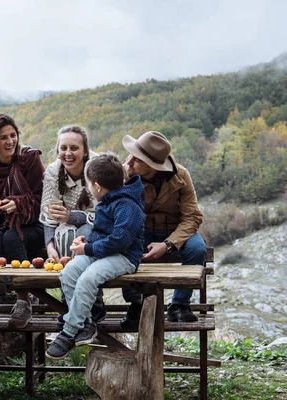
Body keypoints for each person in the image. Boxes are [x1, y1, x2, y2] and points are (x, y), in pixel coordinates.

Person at [46, 153, 145, 359]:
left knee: (89, 278)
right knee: (70, 272)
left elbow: (120, 241)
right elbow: (101, 233)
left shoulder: (127, 205)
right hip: (102, 251)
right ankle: (87, 323)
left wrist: (89, 249)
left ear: (98, 186)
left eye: (89, 184)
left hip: (124, 257)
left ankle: (70, 330)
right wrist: (87, 242)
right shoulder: (107, 200)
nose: (89, 189)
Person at [120, 131, 206, 329]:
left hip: (173, 233)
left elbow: (192, 216)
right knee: (123, 244)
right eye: (131, 156)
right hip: (141, 232)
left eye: (136, 159)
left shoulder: (181, 176)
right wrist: (124, 183)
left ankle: (179, 305)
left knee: (198, 249)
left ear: (152, 166)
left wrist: (168, 245)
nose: (130, 161)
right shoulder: (125, 174)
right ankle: (136, 304)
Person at [0, 113, 45, 329]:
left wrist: (18, 203)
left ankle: (24, 302)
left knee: (14, 237)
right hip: (0, 224)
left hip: (32, 225)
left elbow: (43, 197)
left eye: (13, 135)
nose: (10, 141)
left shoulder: (29, 160)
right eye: (3, 137)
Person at [39, 125, 105, 323]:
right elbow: (48, 213)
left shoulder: (99, 167)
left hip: (99, 230)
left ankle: (94, 302)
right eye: (63, 148)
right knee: (64, 234)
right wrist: (49, 244)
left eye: (74, 148)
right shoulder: (53, 171)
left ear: (85, 150)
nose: (68, 154)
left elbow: (103, 214)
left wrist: (71, 216)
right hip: (64, 231)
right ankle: (70, 300)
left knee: (84, 233)